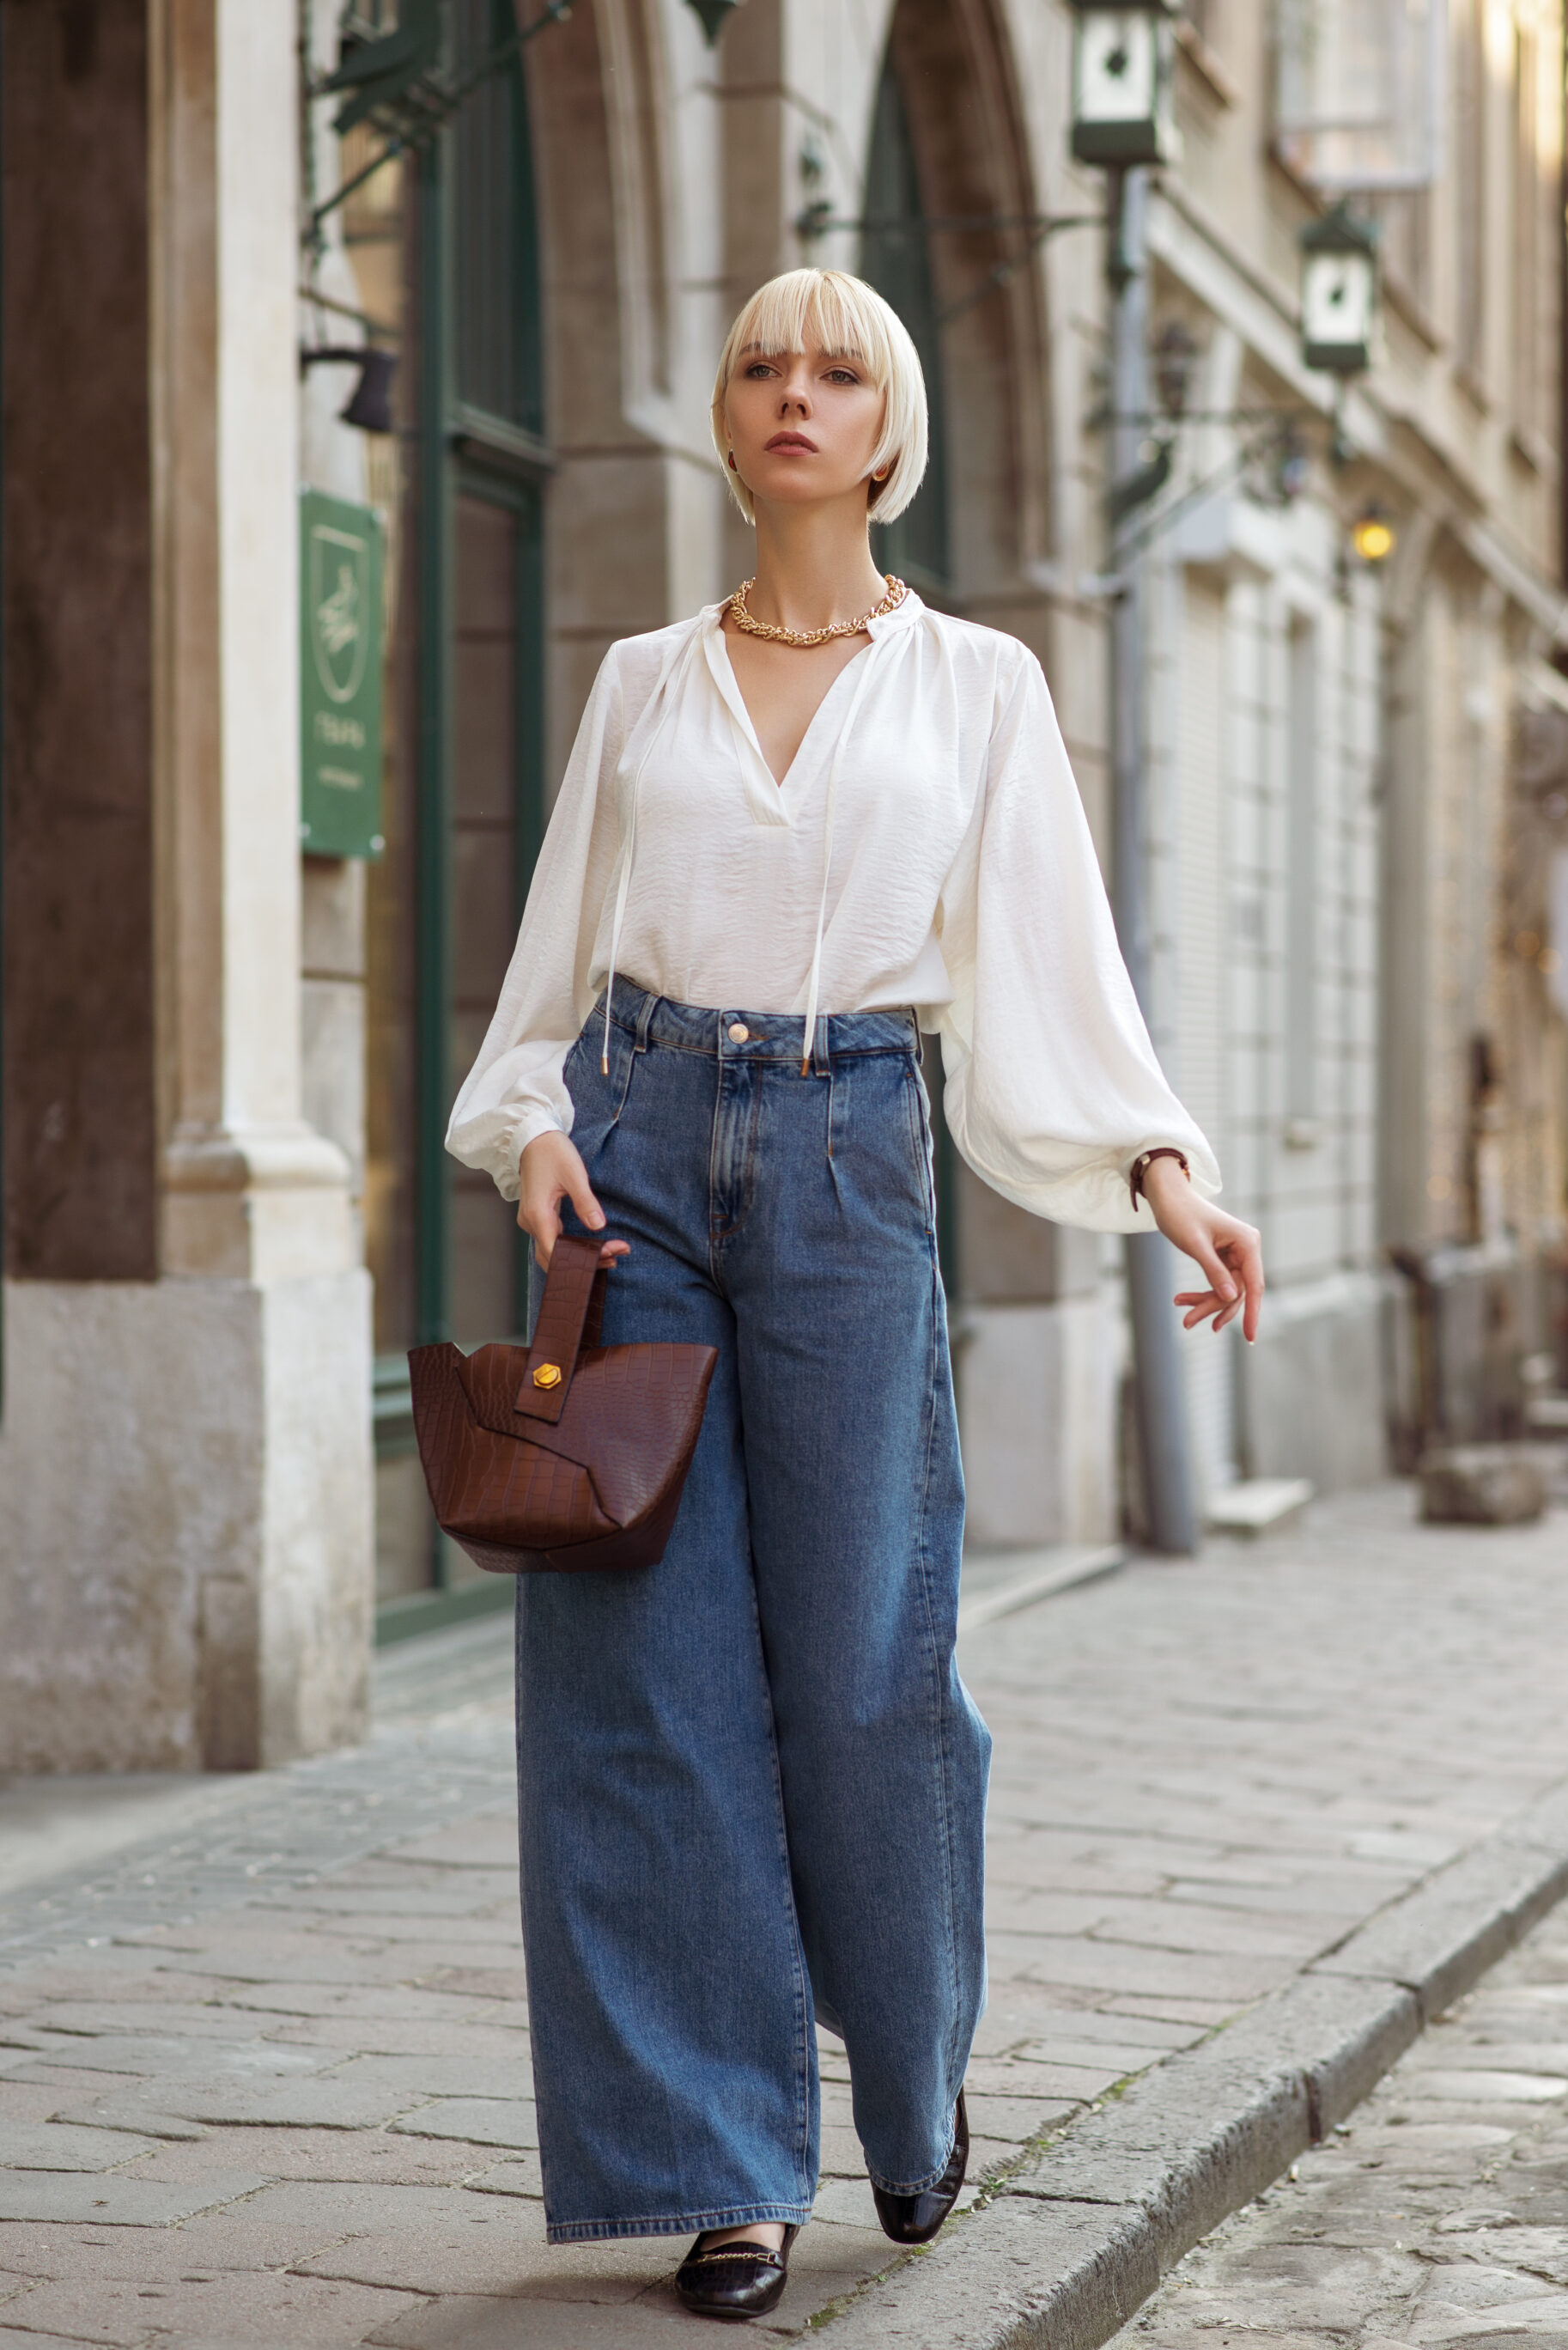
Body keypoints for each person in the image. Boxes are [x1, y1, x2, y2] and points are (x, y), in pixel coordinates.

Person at [447, 266, 1263, 2323]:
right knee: (650, 1685)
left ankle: (909, 2096)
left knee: (874, 1666)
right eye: (758, 366)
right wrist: (531, 1129)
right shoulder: (641, 680)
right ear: (724, 425)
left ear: (889, 432)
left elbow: (1046, 957)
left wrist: (1162, 1169)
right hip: (635, 1163)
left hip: (845, 1157)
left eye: (836, 371)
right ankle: (722, 2166)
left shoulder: (976, 684)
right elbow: (553, 970)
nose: (793, 394)